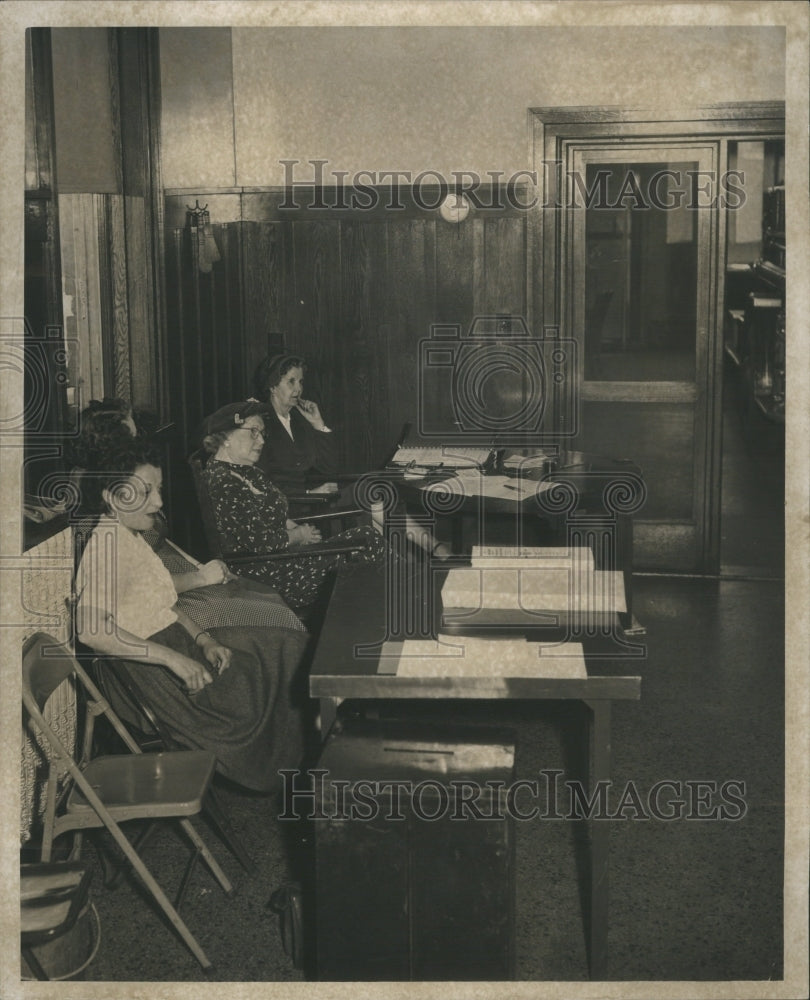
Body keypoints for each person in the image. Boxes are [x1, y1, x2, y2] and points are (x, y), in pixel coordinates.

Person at [75, 439, 306, 793]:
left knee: (282, 652)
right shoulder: (105, 546)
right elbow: (91, 631)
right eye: (146, 491)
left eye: (159, 490)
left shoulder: (128, 535)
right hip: (147, 678)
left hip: (171, 649)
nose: (159, 502)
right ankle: (302, 774)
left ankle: (300, 767)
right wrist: (175, 661)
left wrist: (204, 638)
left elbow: (161, 604)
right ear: (111, 495)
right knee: (282, 658)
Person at [71, 397, 306, 635]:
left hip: (181, 578)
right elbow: (139, 582)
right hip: (169, 599)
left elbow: (160, 546)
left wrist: (202, 567)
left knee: (269, 600)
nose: (139, 442)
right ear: (115, 443)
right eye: (133, 436)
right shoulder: (110, 499)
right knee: (274, 615)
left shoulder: (122, 481)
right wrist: (201, 577)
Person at [252, 353, 452, 559]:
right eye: (291, 381)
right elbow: (262, 483)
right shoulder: (260, 423)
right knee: (374, 499)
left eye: (301, 381)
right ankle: (428, 551)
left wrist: (318, 424)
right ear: (272, 385)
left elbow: (329, 467)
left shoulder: (297, 418)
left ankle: (415, 554)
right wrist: (309, 492)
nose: (298, 389)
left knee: (377, 489)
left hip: (317, 498)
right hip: (294, 508)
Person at [200, 401, 388, 609]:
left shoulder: (246, 471)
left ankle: (387, 607)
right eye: (253, 432)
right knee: (369, 543)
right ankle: (398, 606)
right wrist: (298, 536)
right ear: (225, 437)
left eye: (262, 433)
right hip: (268, 577)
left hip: (284, 559)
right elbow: (260, 542)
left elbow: (273, 514)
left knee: (367, 539)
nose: (261, 440)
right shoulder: (224, 482)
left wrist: (295, 529)